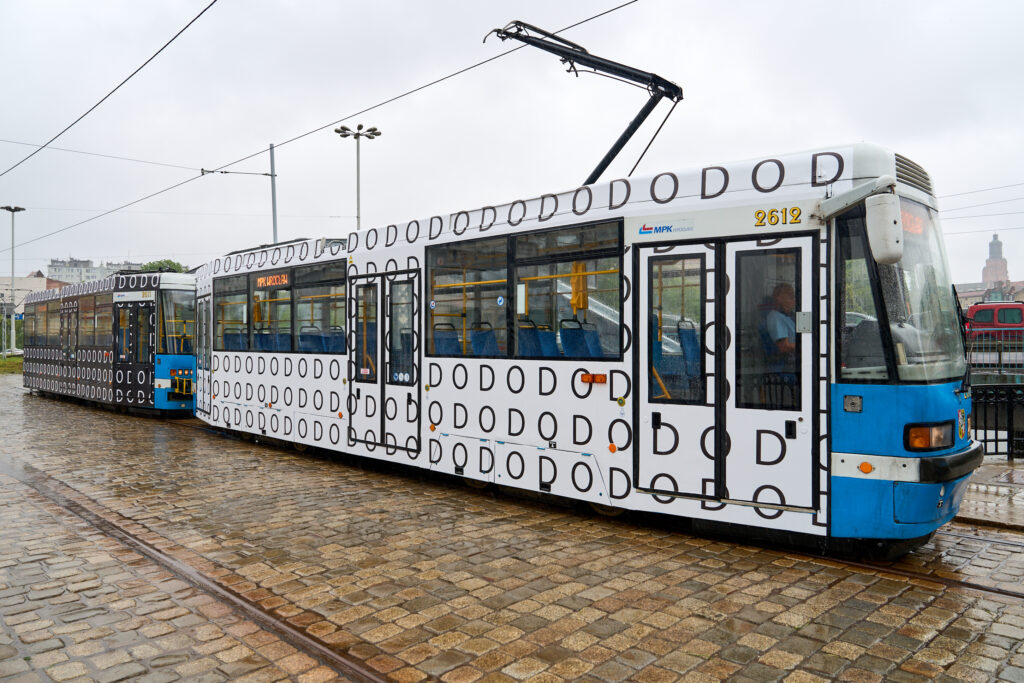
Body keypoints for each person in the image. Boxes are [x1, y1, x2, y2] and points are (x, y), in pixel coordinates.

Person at [765, 283, 796, 355]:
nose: (794, 299)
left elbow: (806, 330)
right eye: (790, 296)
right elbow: (784, 347)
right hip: (791, 361)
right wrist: (804, 345)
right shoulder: (775, 317)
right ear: (779, 299)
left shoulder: (791, 314)